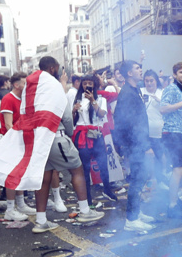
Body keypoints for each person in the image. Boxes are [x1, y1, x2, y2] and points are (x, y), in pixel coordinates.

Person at [0, 56, 104, 232]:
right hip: (56, 137)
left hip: (37, 141)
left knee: (44, 178)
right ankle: (85, 210)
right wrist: (69, 133)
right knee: (77, 169)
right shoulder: (53, 87)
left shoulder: (31, 88)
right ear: (53, 68)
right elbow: (66, 117)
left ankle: (41, 221)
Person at [111, 60, 156, 232]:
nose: (140, 70)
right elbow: (132, 123)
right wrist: (145, 146)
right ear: (129, 73)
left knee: (141, 177)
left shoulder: (133, 90)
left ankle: (136, 213)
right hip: (136, 144)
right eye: (137, 68)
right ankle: (131, 219)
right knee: (137, 180)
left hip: (136, 144)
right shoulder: (128, 93)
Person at [71, 73, 117, 205]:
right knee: (84, 168)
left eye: (89, 83)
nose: (87, 85)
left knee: (103, 164)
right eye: (84, 83)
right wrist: (73, 110)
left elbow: (102, 113)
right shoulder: (77, 99)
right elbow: (73, 121)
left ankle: (107, 190)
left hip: (96, 134)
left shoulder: (101, 98)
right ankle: (87, 198)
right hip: (82, 136)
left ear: (94, 84)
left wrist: (93, 101)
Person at [0, 72, 36, 221]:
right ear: (16, 85)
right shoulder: (8, 99)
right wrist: (17, 140)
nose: (27, 85)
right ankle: (10, 208)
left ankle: (20, 204)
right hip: (12, 142)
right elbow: (8, 125)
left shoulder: (22, 99)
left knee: (20, 174)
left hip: (21, 141)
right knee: (12, 175)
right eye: (24, 83)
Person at [159, 62, 182, 217]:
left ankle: (174, 200)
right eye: (181, 72)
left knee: (178, 168)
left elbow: (181, 115)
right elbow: (163, 108)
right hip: (171, 133)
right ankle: (172, 205)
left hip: (176, 132)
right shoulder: (171, 89)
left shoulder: (179, 90)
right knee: (179, 169)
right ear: (174, 75)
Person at [141, 70, 167, 186]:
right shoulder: (140, 92)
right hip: (145, 132)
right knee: (148, 156)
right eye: (147, 81)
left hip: (160, 131)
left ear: (156, 81)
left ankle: (163, 176)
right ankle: (151, 179)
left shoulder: (163, 93)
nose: (149, 83)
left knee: (161, 155)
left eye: (151, 80)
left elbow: (168, 109)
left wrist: (159, 100)